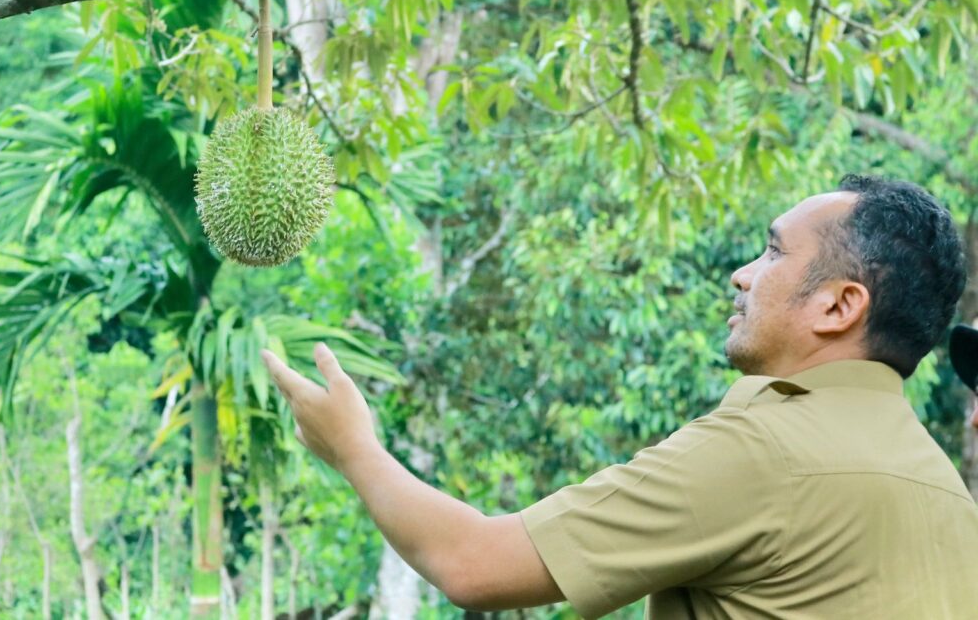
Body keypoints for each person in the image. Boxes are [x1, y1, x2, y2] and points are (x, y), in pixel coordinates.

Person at [262, 174, 978, 618]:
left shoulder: (766, 449)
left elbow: (473, 564)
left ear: (837, 306)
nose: (740, 274)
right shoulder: (946, 492)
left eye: (771, 252)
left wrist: (350, 444)